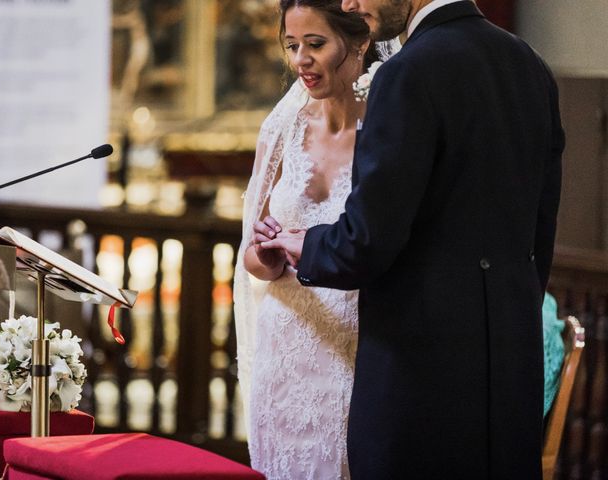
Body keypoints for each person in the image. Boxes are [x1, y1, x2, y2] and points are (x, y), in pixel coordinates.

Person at [261, 0, 565, 478]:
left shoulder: (408, 72)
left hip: (420, 375)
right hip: (508, 372)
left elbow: (368, 239)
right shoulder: (528, 64)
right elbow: (540, 229)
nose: (349, 3)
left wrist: (307, 244)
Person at [233, 1, 379, 478]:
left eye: (316, 44)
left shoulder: (387, 127)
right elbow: (251, 256)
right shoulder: (285, 126)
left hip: (352, 344)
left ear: (359, 42)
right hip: (283, 342)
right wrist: (265, 253)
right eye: (293, 46)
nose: (301, 60)